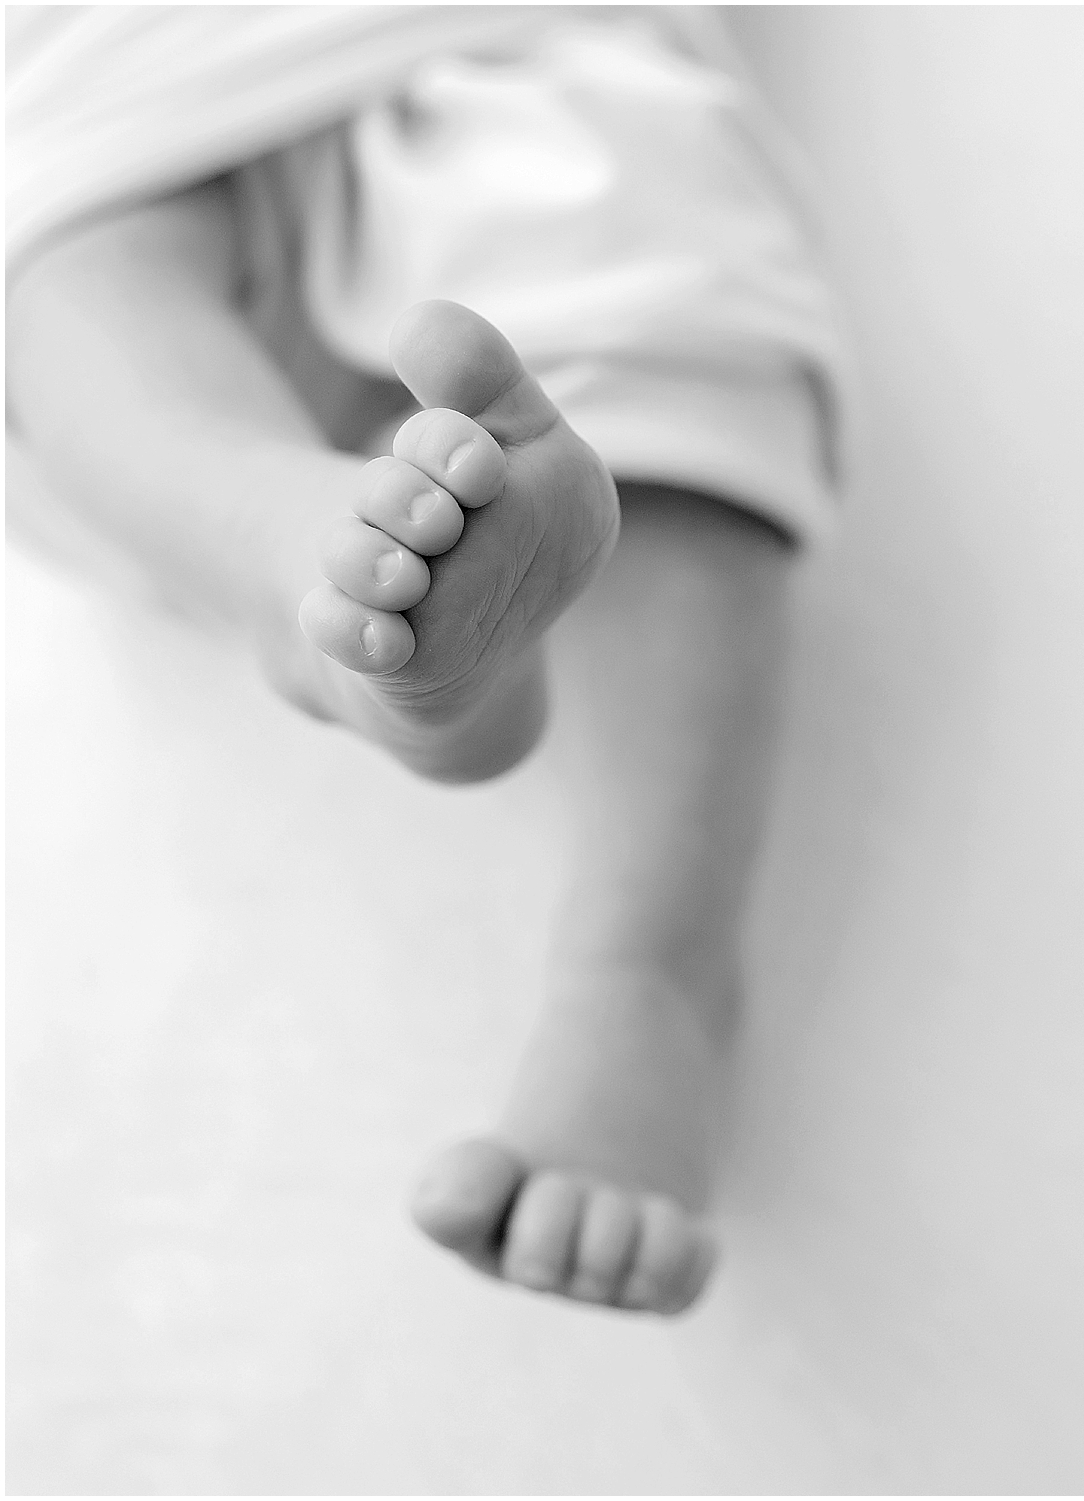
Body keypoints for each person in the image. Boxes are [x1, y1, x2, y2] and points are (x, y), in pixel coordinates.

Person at [6, 7, 843, 1315]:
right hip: (139, 58)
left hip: (505, 36)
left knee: (652, 278)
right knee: (78, 295)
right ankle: (303, 563)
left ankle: (641, 977)